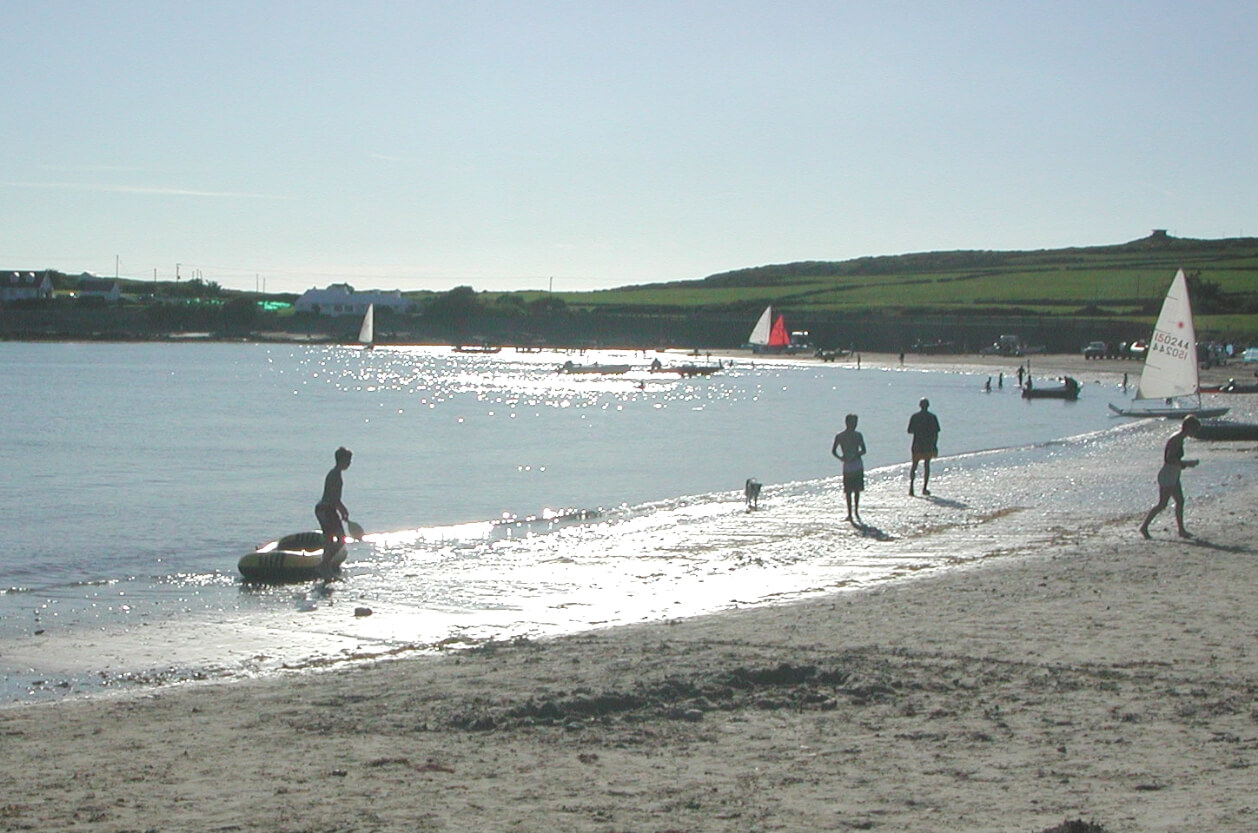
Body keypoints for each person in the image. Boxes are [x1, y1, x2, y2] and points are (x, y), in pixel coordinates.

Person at [1139, 416, 1200, 539]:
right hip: (1168, 475)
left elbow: (1174, 460)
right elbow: (1170, 459)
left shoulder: (1179, 438)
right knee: (1162, 504)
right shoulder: (1176, 439)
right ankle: (1144, 527)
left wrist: (1183, 465)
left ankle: (1181, 530)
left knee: (1180, 501)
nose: (1195, 433)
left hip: (1174, 474)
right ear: (1188, 428)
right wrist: (1187, 463)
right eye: (1194, 430)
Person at [316, 446, 353, 576]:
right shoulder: (335, 476)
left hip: (325, 509)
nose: (349, 464)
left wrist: (342, 510)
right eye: (348, 461)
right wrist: (343, 511)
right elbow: (333, 498)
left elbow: (335, 499)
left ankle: (325, 568)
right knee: (341, 539)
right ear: (342, 460)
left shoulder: (335, 474)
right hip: (326, 510)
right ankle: (324, 565)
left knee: (329, 540)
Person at [831, 413, 866, 522]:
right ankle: (851, 513)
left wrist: (843, 457)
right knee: (850, 490)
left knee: (854, 490)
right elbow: (833, 451)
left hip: (853, 464)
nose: (854, 425)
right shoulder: (843, 436)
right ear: (847, 423)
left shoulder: (852, 435)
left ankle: (854, 512)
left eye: (855, 423)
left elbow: (864, 450)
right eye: (853, 422)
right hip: (852, 464)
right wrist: (842, 457)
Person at [907, 398, 940, 496]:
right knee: (927, 465)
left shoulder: (915, 417)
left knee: (914, 465)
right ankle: (924, 488)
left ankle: (911, 488)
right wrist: (935, 445)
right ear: (928, 406)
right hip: (928, 444)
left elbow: (909, 431)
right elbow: (936, 433)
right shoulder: (932, 417)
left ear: (920, 406)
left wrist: (918, 430)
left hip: (917, 444)